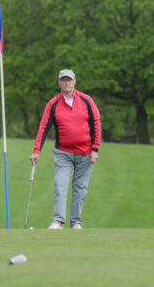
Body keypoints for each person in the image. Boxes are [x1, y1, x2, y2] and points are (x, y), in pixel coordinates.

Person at [31, 69, 101, 230]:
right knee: (60, 185)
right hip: (63, 153)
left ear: (75, 81)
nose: (67, 83)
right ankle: (58, 221)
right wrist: (37, 151)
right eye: (63, 80)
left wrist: (95, 149)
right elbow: (43, 127)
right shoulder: (53, 104)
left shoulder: (86, 100)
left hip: (85, 153)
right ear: (59, 83)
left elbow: (96, 123)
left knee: (80, 188)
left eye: (69, 80)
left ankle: (76, 222)